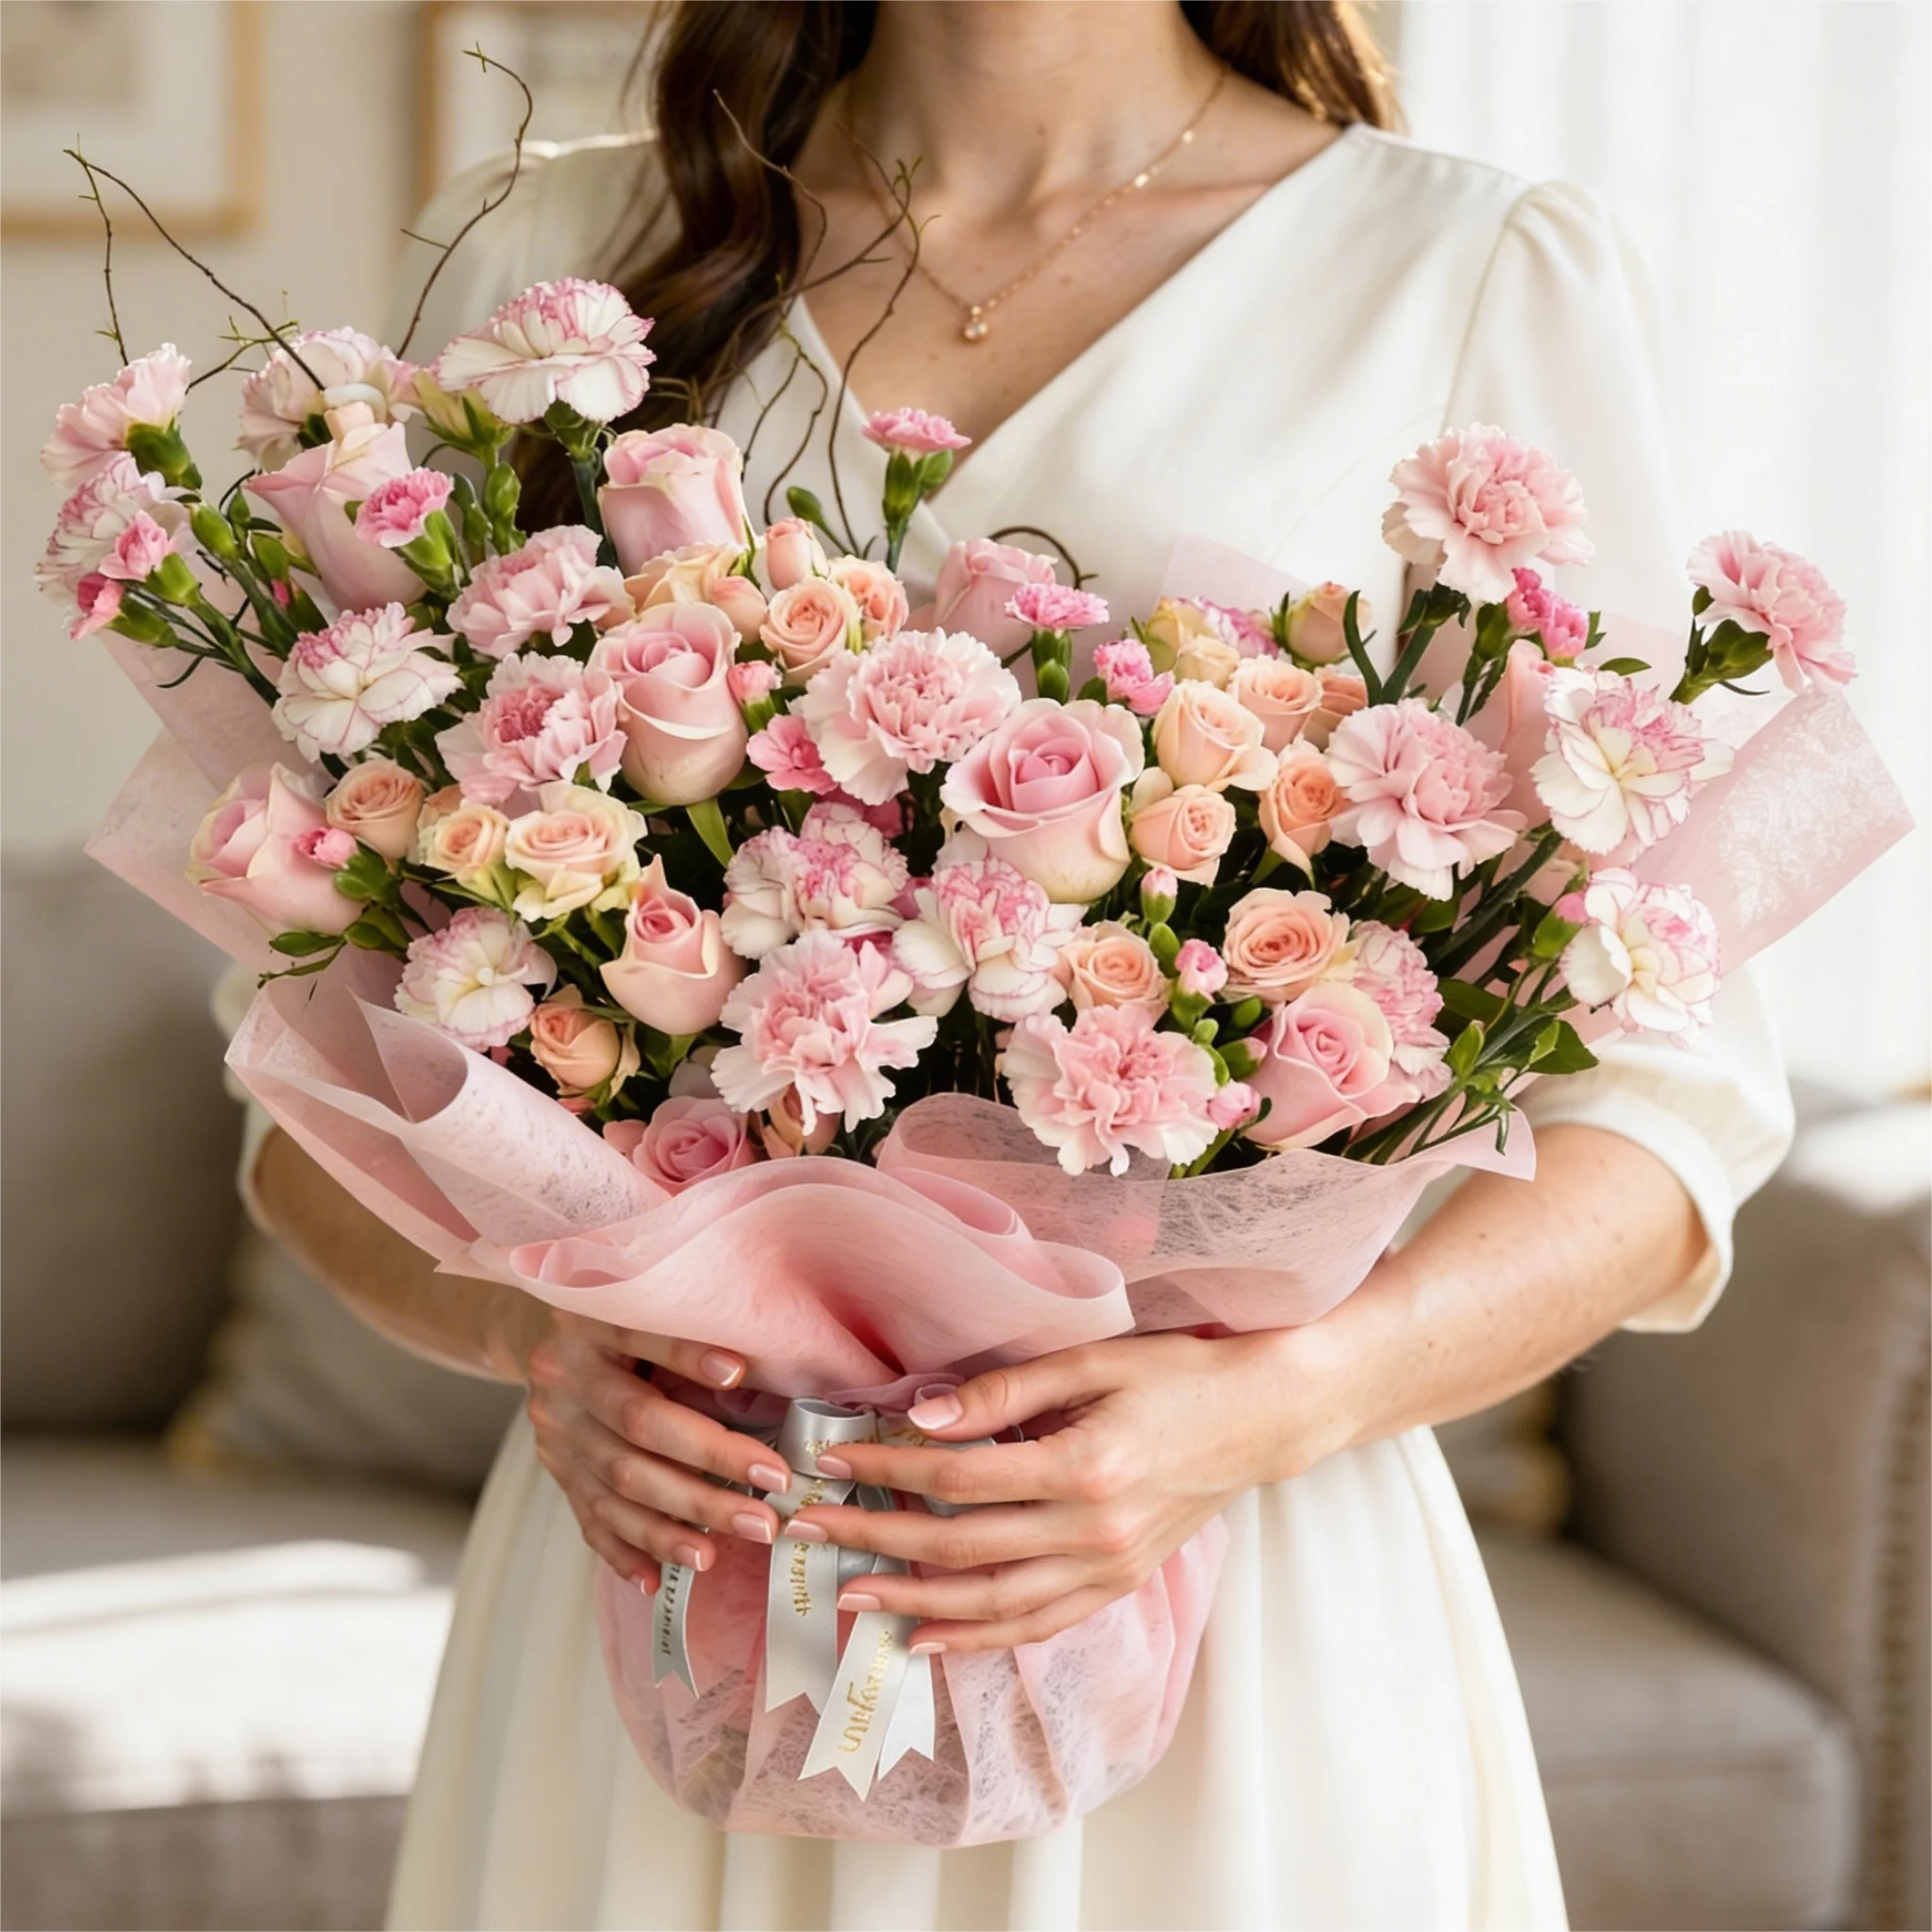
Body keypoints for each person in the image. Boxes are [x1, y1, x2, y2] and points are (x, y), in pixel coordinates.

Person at [252, 3, 1795, 1924]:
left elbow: (1665, 1100)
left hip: (1226, 1588)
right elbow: (310, 1088)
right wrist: (534, 1346)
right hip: (674, 1571)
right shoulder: (540, 258)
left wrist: (1258, 1412)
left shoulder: (1470, 269)